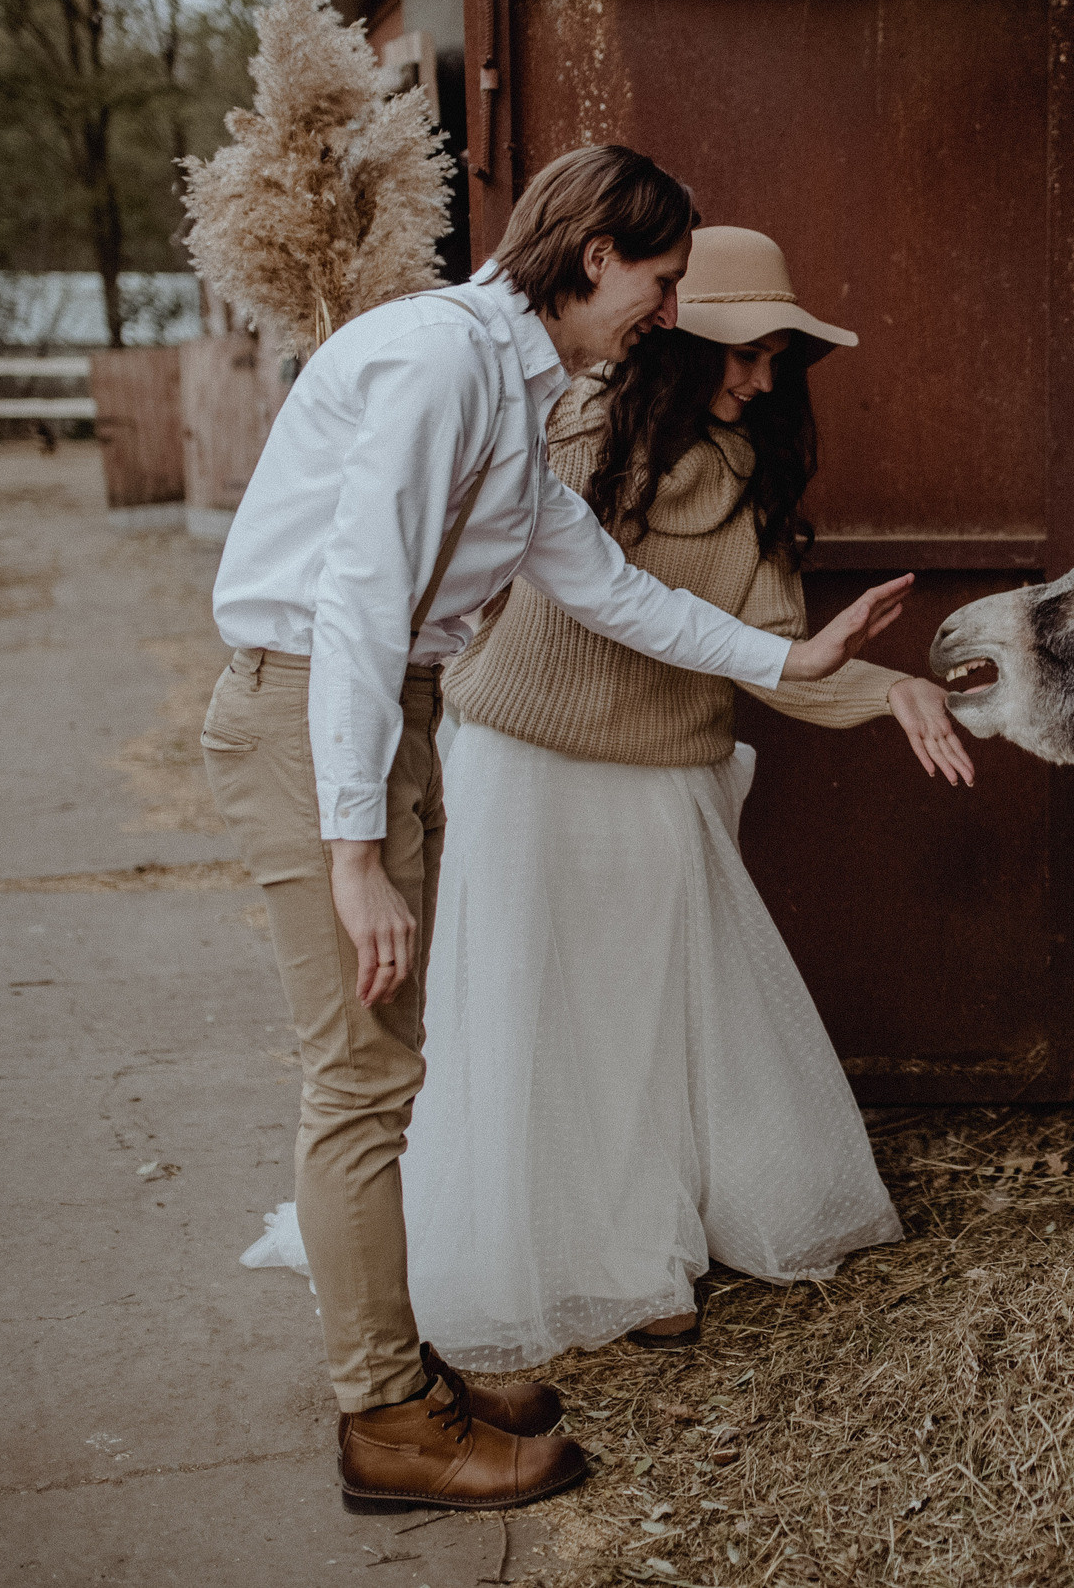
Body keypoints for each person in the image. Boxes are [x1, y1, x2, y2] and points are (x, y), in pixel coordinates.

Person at [200, 149, 912, 1517]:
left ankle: (401, 1369)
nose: (667, 307)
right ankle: (385, 1422)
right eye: (660, 278)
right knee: (358, 1075)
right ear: (593, 257)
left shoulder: (514, 390)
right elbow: (355, 600)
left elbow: (603, 587)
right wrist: (355, 851)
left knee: (388, 1065)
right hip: (314, 706)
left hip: (376, 705)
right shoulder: (439, 367)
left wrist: (797, 657)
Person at [398, 226, 970, 1372]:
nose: (765, 380)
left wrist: (887, 689)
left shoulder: (747, 473)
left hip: (667, 773)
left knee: (638, 1021)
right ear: (681, 335)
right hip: (524, 759)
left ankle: (644, 1242)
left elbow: (768, 656)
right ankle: (585, 1262)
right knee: (529, 1012)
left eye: (777, 359)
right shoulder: (564, 429)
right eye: (747, 352)